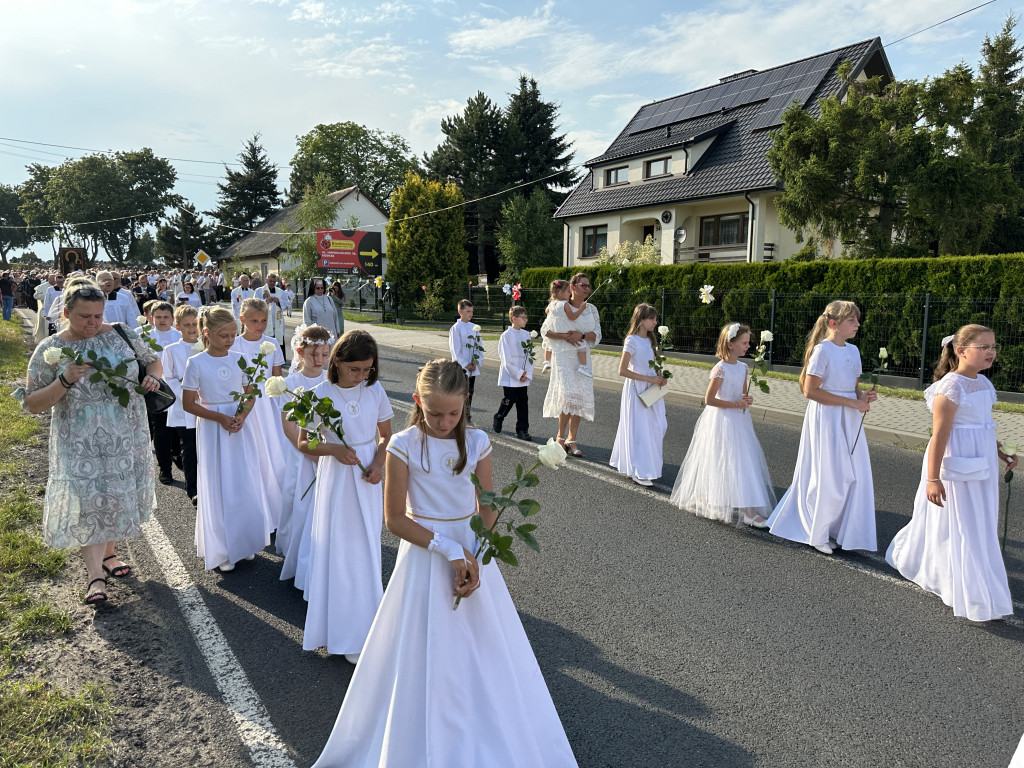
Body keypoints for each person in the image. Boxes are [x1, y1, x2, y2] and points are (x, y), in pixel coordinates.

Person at [311, 360, 578, 768]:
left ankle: (483, 726)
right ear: (417, 401)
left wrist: (477, 554)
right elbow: (395, 518)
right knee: (422, 648)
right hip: (424, 555)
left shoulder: (477, 441)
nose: (444, 421)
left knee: (483, 648)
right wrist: (447, 549)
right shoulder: (401, 444)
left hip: (470, 552)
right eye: (434, 413)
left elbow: (486, 505)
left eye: (453, 413)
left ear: (465, 403)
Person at [15, 277, 163, 605]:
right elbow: (32, 403)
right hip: (79, 442)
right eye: (85, 317)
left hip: (126, 435)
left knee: (113, 498)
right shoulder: (51, 350)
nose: (94, 323)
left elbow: (153, 359)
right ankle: (95, 575)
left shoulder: (122, 334)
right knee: (88, 504)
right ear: (66, 312)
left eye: (98, 315)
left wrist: (154, 375)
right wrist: (65, 379)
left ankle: (110, 554)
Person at [886, 325, 1015, 621]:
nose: (991, 352)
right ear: (961, 350)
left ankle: (972, 574)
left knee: (978, 519)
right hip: (956, 463)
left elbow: (981, 425)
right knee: (961, 520)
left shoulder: (983, 384)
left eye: (993, 347)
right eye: (983, 347)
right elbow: (940, 436)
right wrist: (933, 479)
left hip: (981, 461)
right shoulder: (950, 387)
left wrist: (999, 449)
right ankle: (959, 581)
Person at [301, 331, 393, 659]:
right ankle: (342, 632)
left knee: (365, 550)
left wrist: (379, 465)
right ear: (336, 361)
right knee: (340, 552)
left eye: (367, 369)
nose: (362, 376)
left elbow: (385, 436)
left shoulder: (375, 390)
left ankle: (367, 626)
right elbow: (304, 442)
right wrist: (333, 448)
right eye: (355, 369)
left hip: (367, 479)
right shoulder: (318, 395)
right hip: (337, 480)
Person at [767, 300, 878, 554]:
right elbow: (810, 391)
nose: (857, 324)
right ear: (833, 324)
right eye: (852, 320)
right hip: (827, 417)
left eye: (857, 320)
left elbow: (854, 386)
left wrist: (862, 398)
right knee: (828, 474)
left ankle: (840, 528)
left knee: (852, 474)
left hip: (849, 418)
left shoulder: (854, 351)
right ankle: (816, 530)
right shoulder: (823, 351)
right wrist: (850, 401)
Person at [182, 306, 271, 571]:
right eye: (224, 336)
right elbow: (189, 403)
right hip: (213, 429)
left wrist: (241, 416)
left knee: (243, 481)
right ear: (207, 333)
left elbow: (250, 393)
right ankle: (222, 550)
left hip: (239, 427)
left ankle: (244, 542)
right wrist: (220, 418)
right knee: (219, 483)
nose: (230, 341)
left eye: (233, 335)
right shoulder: (196, 363)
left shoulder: (239, 358)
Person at [670, 322, 776, 526]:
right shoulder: (720, 369)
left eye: (748, 343)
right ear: (730, 344)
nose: (748, 346)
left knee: (744, 461)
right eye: (744, 343)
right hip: (722, 420)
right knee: (721, 460)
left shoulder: (744, 368)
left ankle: (748, 510)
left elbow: (741, 393)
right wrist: (736, 403)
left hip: (739, 420)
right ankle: (707, 497)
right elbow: (709, 399)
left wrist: (745, 400)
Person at [277, 325, 333, 575]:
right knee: (298, 497)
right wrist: (311, 453)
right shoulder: (290, 383)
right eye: (313, 354)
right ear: (300, 352)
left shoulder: (331, 382)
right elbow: (289, 427)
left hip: (327, 450)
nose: (319, 360)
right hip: (301, 453)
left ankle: (321, 555)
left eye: (324, 354)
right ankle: (297, 555)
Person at [232, 298, 288, 532]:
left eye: (264, 320)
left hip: (269, 405)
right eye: (254, 321)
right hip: (247, 404)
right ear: (242, 320)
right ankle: (257, 510)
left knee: (275, 455)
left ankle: (278, 510)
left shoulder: (272, 342)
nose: (260, 325)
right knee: (253, 456)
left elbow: (276, 377)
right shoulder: (234, 345)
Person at [542, 273, 602, 457]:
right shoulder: (558, 307)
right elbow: (545, 330)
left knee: (579, 397)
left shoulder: (591, 309)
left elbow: (597, 335)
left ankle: (572, 439)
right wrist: (565, 336)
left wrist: (581, 335)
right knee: (567, 396)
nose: (587, 288)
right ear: (572, 287)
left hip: (582, 357)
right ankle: (560, 437)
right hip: (563, 357)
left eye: (588, 285)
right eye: (583, 285)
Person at [609, 303, 668, 486]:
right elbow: (622, 370)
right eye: (651, 319)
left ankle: (637, 464)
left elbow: (652, 364)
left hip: (652, 389)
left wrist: (659, 376)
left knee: (658, 426)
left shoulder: (650, 341)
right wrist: (648, 379)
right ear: (641, 320)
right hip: (637, 388)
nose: (655, 322)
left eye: (655, 319)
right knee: (641, 428)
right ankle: (639, 470)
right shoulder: (631, 341)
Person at [162, 305, 202, 503]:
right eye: (187, 325)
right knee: (190, 447)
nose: (192, 328)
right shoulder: (171, 350)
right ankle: (193, 489)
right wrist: (187, 395)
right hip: (183, 405)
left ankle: (207, 486)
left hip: (206, 404)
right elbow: (168, 378)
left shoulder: (206, 346)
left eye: (195, 324)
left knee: (207, 448)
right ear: (178, 327)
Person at [493, 305, 534, 440]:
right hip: (511, 374)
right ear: (514, 319)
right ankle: (499, 416)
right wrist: (518, 373)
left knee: (523, 401)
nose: (526, 320)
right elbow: (506, 359)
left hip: (523, 375)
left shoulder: (526, 335)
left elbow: (529, 356)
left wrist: (526, 373)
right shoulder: (506, 336)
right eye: (523, 317)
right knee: (510, 399)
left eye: (526, 317)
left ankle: (522, 429)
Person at [545, 280, 591, 377]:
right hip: (564, 330)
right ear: (561, 293)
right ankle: (583, 366)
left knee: (548, 343)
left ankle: (546, 362)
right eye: (568, 292)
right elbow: (572, 317)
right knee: (582, 344)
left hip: (554, 330)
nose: (569, 295)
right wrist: (581, 309)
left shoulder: (551, 304)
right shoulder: (564, 304)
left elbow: (547, 311)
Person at [448, 299, 483, 423]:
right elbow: (455, 350)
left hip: (472, 367)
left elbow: (479, 346)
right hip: (461, 367)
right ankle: (458, 416)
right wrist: (465, 364)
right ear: (460, 311)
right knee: (461, 392)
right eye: (468, 311)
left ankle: (467, 416)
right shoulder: (456, 328)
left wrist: (475, 361)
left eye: (472, 311)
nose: (470, 314)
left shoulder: (474, 328)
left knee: (470, 392)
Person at [254, 272, 288, 363]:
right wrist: (265, 301)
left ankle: (279, 360)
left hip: (277, 320)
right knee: (266, 339)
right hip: (265, 320)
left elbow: (287, 303)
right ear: (266, 280)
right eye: (270, 281)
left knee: (278, 338)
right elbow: (254, 304)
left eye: (274, 281)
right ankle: (266, 359)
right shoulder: (259, 291)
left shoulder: (280, 291)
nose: (272, 283)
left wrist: (279, 301)